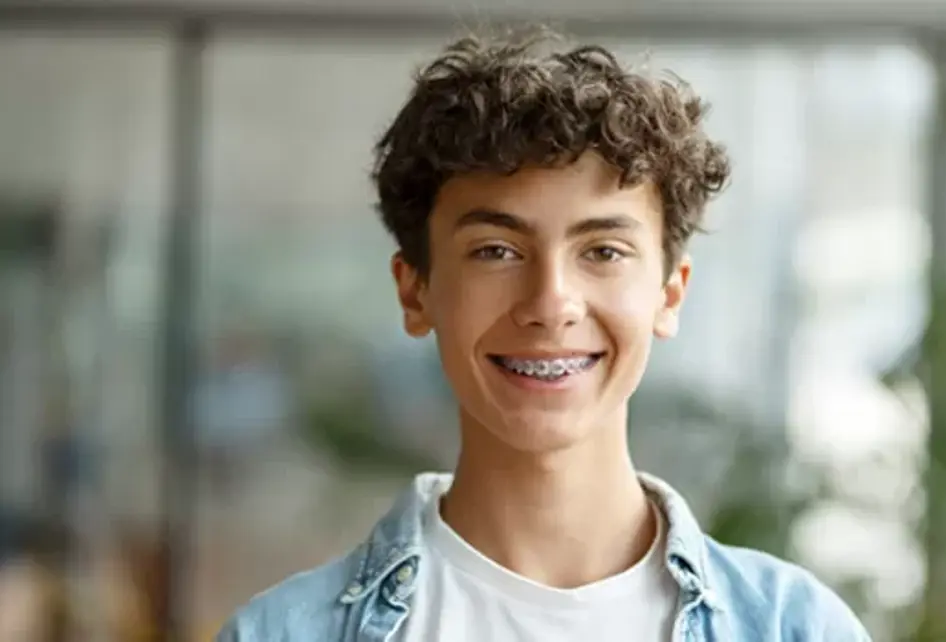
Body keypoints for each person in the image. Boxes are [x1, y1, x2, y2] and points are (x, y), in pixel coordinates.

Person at [215, 28, 871, 642]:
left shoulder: (795, 627)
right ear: (416, 290)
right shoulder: (281, 633)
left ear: (670, 294)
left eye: (604, 252)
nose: (551, 304)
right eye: (496, 250)